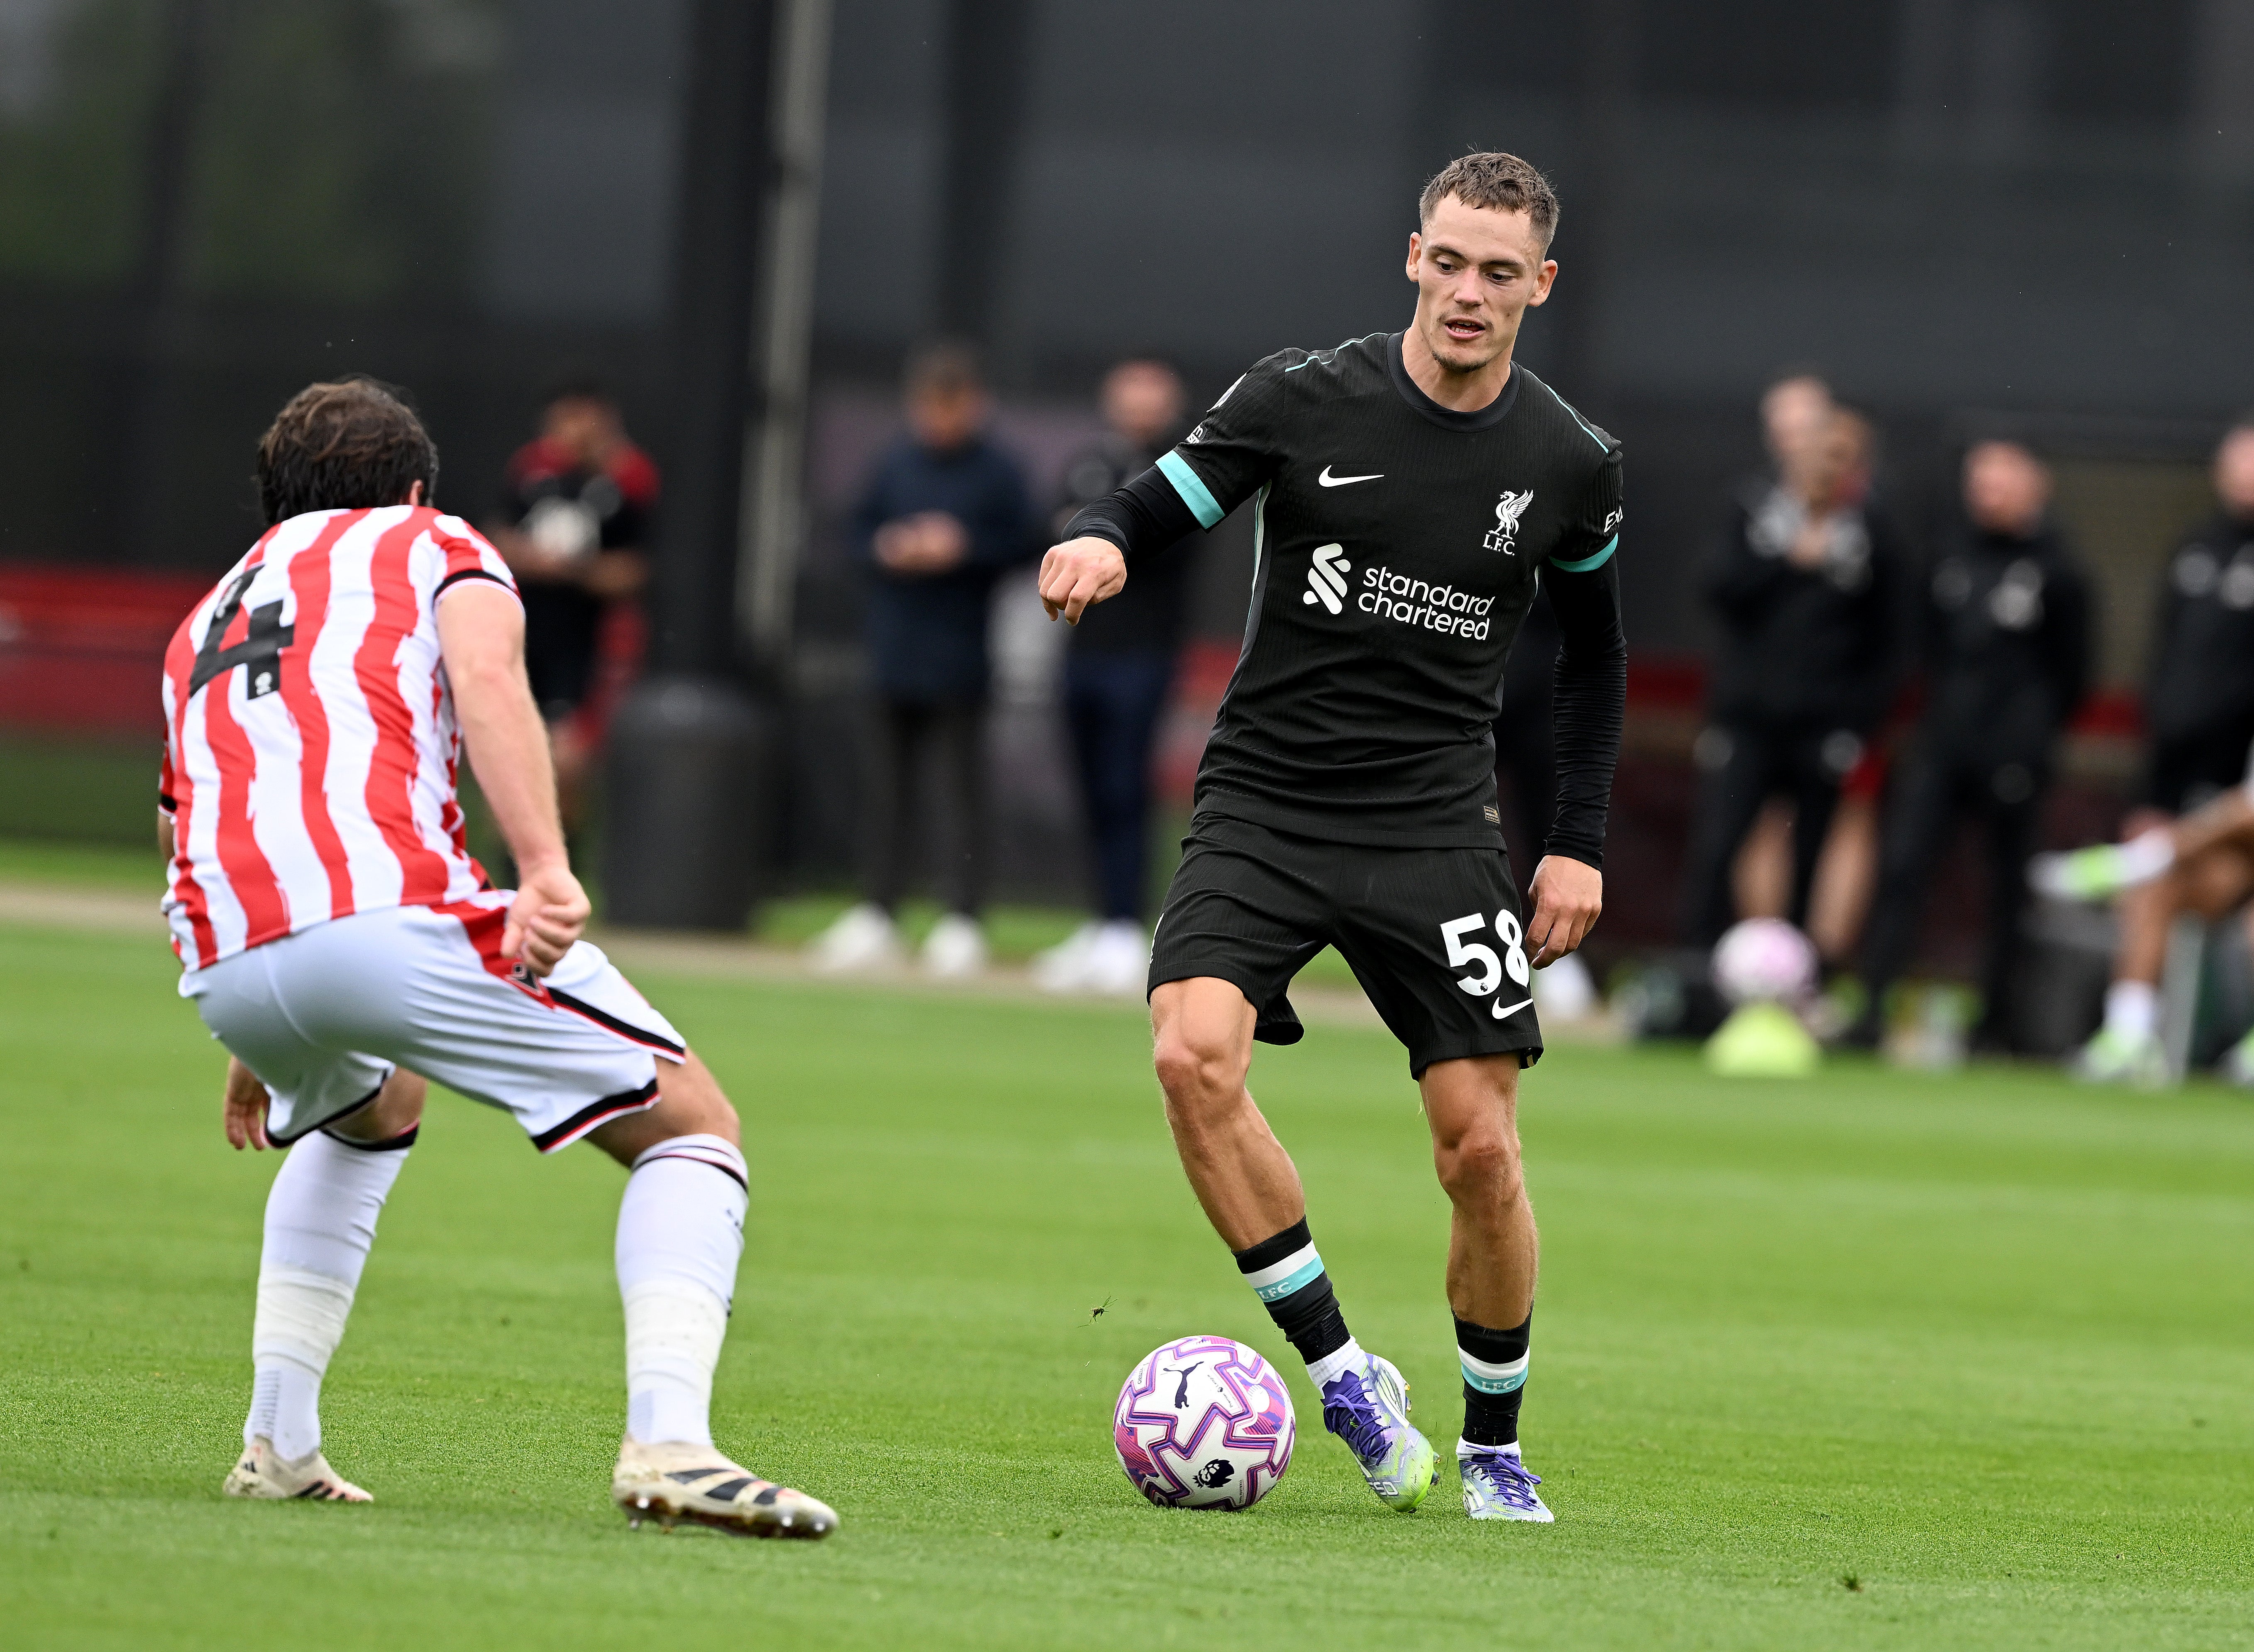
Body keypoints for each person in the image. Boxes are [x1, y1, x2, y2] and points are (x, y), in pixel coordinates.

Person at [1038, 152, 1626, 1524]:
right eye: (1449, 260)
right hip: (1264, 804)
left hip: (1434, 826)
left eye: (1500, 272)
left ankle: (1491, 1443)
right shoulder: (1303, 397)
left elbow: (1591, 667)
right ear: (1412, 258)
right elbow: (1161, 499)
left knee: (1479, 1152)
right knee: (1191, 1054)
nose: (1468, 292)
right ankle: (1345, 1374)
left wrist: (1580, 838)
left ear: (1540, 286)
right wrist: (1100, 541)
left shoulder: (1569, 462)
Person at [161, 378, 835, 1537]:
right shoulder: (436, 541)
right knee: (691, 1128)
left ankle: (277, 1443)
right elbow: (487, 682)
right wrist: (546, 863)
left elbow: (192, 803)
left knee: (375, 1105)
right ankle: (671, 1440)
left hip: (227, 945)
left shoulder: (208, 613)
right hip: (378, 916)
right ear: (413, 489)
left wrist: (264, 1009)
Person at [1846, 439, 2091, 1051]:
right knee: (1902, 868)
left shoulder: (2059, 569)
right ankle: (1872, 1008)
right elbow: (1922, 646)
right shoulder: (1948, 554)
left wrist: (2028, 732)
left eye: (2000, 482)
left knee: (2006, 888)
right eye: (1978, 482)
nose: (1987, 494)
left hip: (2013, 755)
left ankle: (1995, 1022)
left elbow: (2073, 672)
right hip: (1942, 744)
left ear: (2034, 485)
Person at [2035, 418, 2254, 1083]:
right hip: (2208, 800)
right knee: (2155, 894)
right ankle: (2127, 1038)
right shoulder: (2195, 550)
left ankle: (2128, 862)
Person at [812, 344, 1034, 978]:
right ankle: (878, 913)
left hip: (960, 656)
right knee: (887, 791)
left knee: (960, 793)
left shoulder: (997, 471)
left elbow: (1026, 540)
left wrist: (961, 548)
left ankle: (962, 919)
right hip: (891, 654)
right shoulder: (894, 463)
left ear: (973, 404)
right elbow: (854, 535)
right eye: (928, 406)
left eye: (950, 405)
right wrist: (891, 545)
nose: (938, 419)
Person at [1679, 400, 1904, 953]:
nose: (1828, 467)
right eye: (1819, 452)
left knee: (1810, 854)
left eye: (1842, 457)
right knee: (1718, 846)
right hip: (1747, 719)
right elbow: (1715, 589)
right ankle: (1691, 974)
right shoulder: (1753, 513)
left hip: (1822, 727)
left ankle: (1798, 980)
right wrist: (1783, 558)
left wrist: (1859, 722)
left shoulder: (1873, 534)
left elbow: (1891, 639)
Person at [1034, 357, 1197, 996]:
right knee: (1089, 789)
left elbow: (1169, 544)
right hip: (1081, 650)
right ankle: (1101, 921)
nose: (1134, 404)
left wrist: (1107, 532)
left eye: (1147, 394)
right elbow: (1047, 531)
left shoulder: (1179, 470)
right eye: (1125, 392)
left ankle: (1129, 929)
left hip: (1143, 653)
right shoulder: (1090, 460)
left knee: (1126, 788)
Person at [488, 379, 659, 833]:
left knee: (568, 760)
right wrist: (531, 558)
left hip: (591, 643)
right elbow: (498, 538)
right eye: (564, 418)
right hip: (528, 635)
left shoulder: (628, 480)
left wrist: (575, 570)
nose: (573, 430)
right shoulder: (531, 471)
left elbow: (639, 568)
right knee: (510, 756)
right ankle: (513, 875)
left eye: (584, 417)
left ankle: (562, 867)